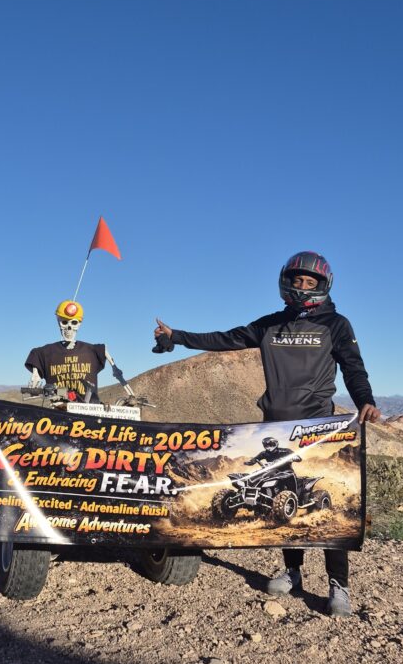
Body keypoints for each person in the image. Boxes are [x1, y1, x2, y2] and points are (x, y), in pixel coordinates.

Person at [154, 250, 380, 617]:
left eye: (310, 282)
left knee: (334, 511)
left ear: (323, 286)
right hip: (275, 425)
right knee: (281, 506)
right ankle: (292, 573)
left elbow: (354, 369)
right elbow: (226, 338)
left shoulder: (336, 325)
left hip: (318, 427)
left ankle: (339, 585)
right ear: (286, 282)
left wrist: (365, 401)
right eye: (297, 280)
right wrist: (177, 335)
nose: (302, 286)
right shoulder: (270, 325)